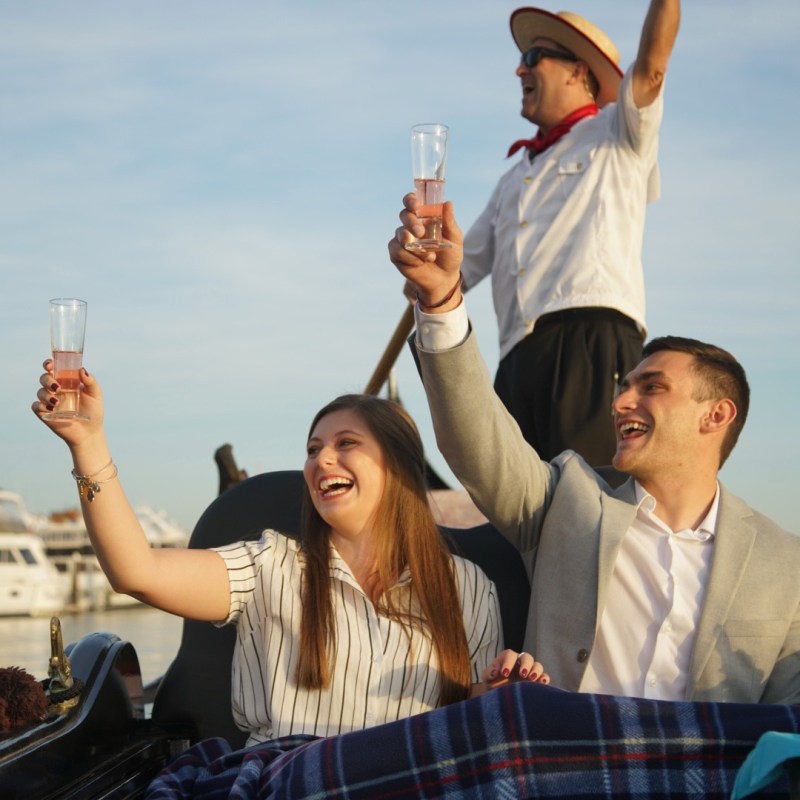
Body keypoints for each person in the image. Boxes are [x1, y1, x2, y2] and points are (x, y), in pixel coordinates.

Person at [389, 198, 800, 705]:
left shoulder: (787, 563)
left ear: (715, 415)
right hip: (570, 769)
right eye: (624, 385)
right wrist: (440, 300)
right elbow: (478, 440)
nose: (621, 400)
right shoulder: (566, 500)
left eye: (651, 387)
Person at [32, 364, 549, 746]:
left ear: (398, 469)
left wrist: (501, 688)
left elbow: (476, 723)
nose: (322, 459)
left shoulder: (468, 587)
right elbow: (135, 572)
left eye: (346, 443)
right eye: (312, 448)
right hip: (285, 780)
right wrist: (88, 444)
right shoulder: (269, 567)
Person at [434, 1, 680, 466]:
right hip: (517, 360)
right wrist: (422, 265)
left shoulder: (616, 133)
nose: (518, 69)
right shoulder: (513, 178)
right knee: (513, 513)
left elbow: (650, 69)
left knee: (587, 505)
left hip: (590, 343)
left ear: (577, 72)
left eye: (533, 57)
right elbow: (456, 271)